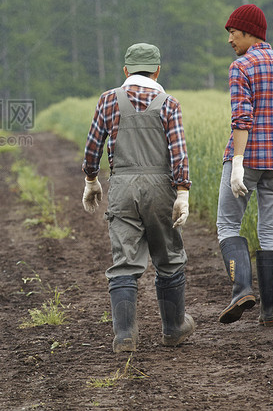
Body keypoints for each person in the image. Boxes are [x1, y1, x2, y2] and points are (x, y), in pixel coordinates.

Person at [82, 42, 194, 353]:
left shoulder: (108, 100)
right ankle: (173, 328)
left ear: (125, 70)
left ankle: (125, 336)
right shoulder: (169, 103)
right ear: (158, 69)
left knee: (124, 261)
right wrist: (182, 192)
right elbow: (178, 152)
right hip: (161, 187)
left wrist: (91, 179)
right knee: (169, 257)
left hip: (122, 188)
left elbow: (93, 148)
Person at [217, 4, 273, 327]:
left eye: (233, 33)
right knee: (269, 231)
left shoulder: (242, 67)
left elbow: (242, 118)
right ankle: (269, 313)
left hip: (247, 158)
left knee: (227, 225)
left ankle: (241, 291)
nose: (230, 40)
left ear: (250, 33)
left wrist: (237, 163)